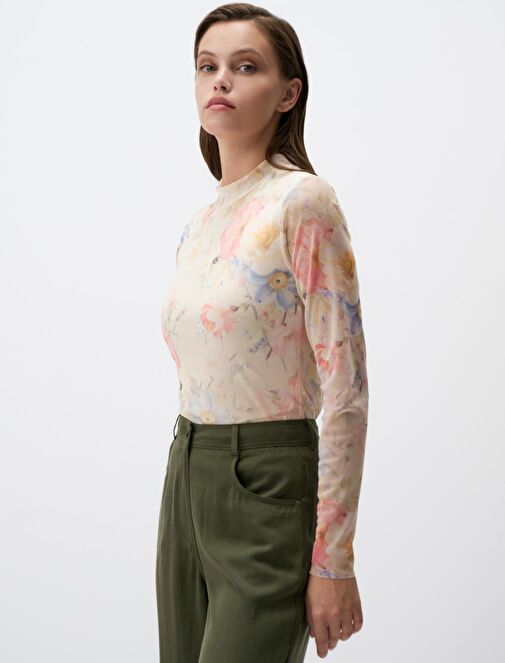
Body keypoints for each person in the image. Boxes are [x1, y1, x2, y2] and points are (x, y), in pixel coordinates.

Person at [156, 4, 369, 661]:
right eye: (207, 66)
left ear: (287, 94)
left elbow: (346, 392)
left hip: (269, 480)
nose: (220, 80)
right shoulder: (199, 225)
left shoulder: (302, 201)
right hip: (186, 473)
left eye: (245, 67)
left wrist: (332, 559)